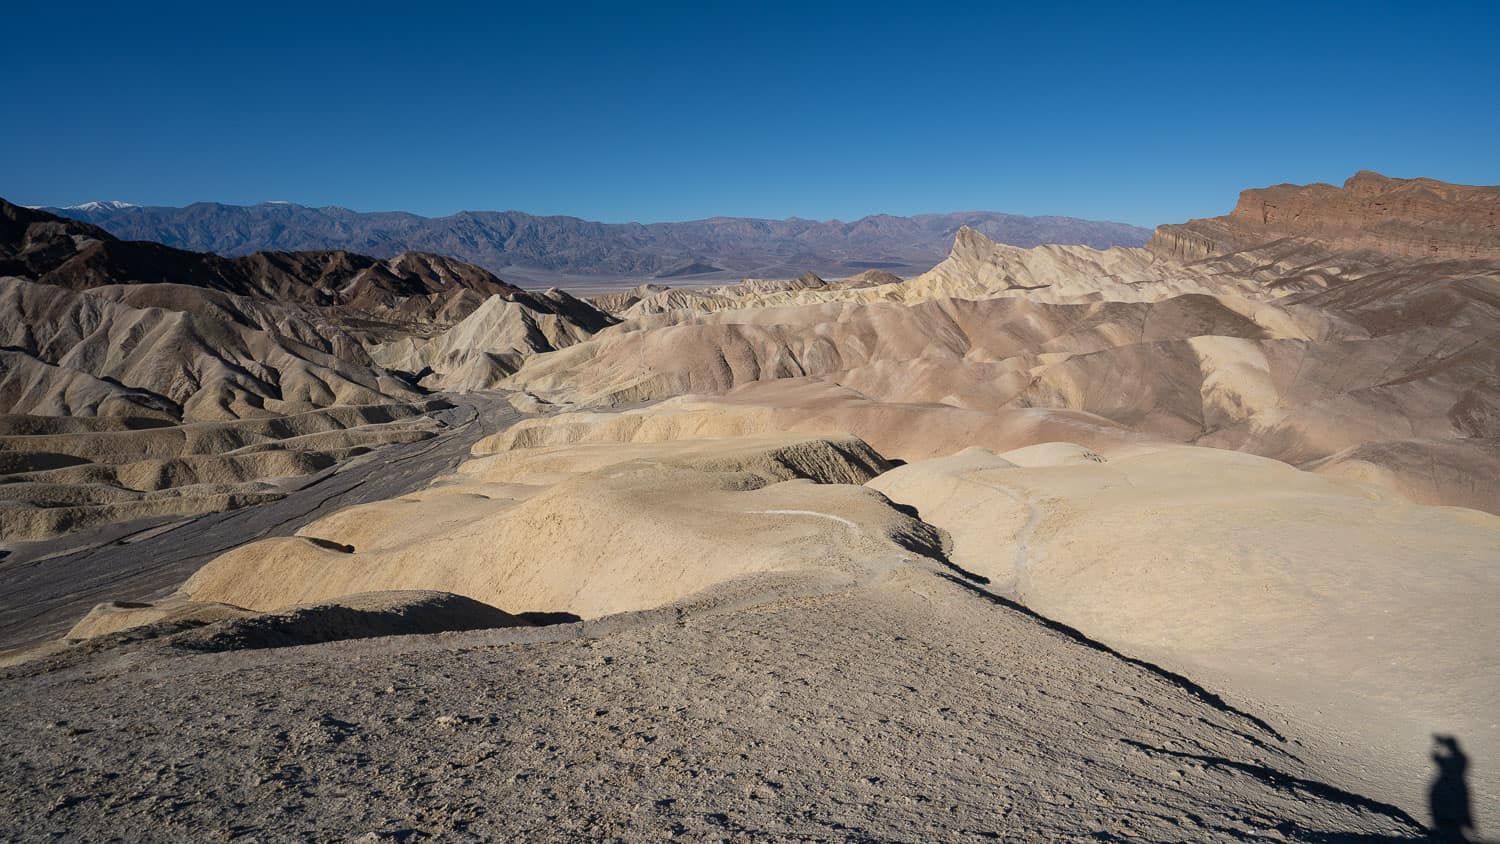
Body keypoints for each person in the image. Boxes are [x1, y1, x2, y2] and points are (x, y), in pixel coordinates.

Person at [1430, 735, 1474, 843]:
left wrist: (1437, 745)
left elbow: (1435, 757)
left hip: (1449, 788)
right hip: (1456, 788)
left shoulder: (1459, 759)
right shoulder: (1463, 758)